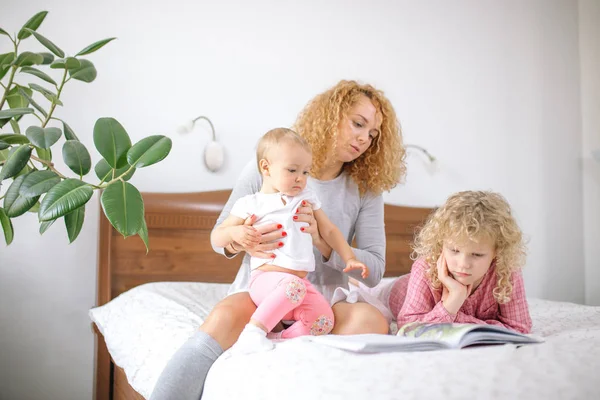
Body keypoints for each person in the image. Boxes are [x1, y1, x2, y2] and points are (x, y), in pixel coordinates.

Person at [150, 80, 405, 400]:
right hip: (261, 291)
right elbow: (220, 237)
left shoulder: (365, 188)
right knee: (223, 317)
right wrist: (241, 241)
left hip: (322, 299)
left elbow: (375, 269)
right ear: (331, 116)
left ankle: (282, 340)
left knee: (371, 320)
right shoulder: (272, 165)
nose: (364, 139)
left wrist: (322, 243)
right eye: (358, 124)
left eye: (372, 134)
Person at [211, 127, 369, 354]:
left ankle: (277, 339)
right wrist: (235, 234)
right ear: (266, 168)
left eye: (306, 172)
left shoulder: (306, 198)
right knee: (292, 287)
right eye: (293, 170)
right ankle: (252, 333)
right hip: (265, 281)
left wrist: (349, 257)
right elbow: (218, 235)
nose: (301, 178)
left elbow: (330, 230)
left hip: (299, 287)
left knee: (324, 320)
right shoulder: (251, 203)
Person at [392, 190, 532, 334]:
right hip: (394, 290)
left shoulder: (506, 270)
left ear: (497, 252)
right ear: (441, 244)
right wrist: (452, 304)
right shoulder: (424, 268)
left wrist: (455, 314)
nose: (463, 264)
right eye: (454, 250)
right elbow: (407, 328)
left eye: (477, 254)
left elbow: (519, 328)